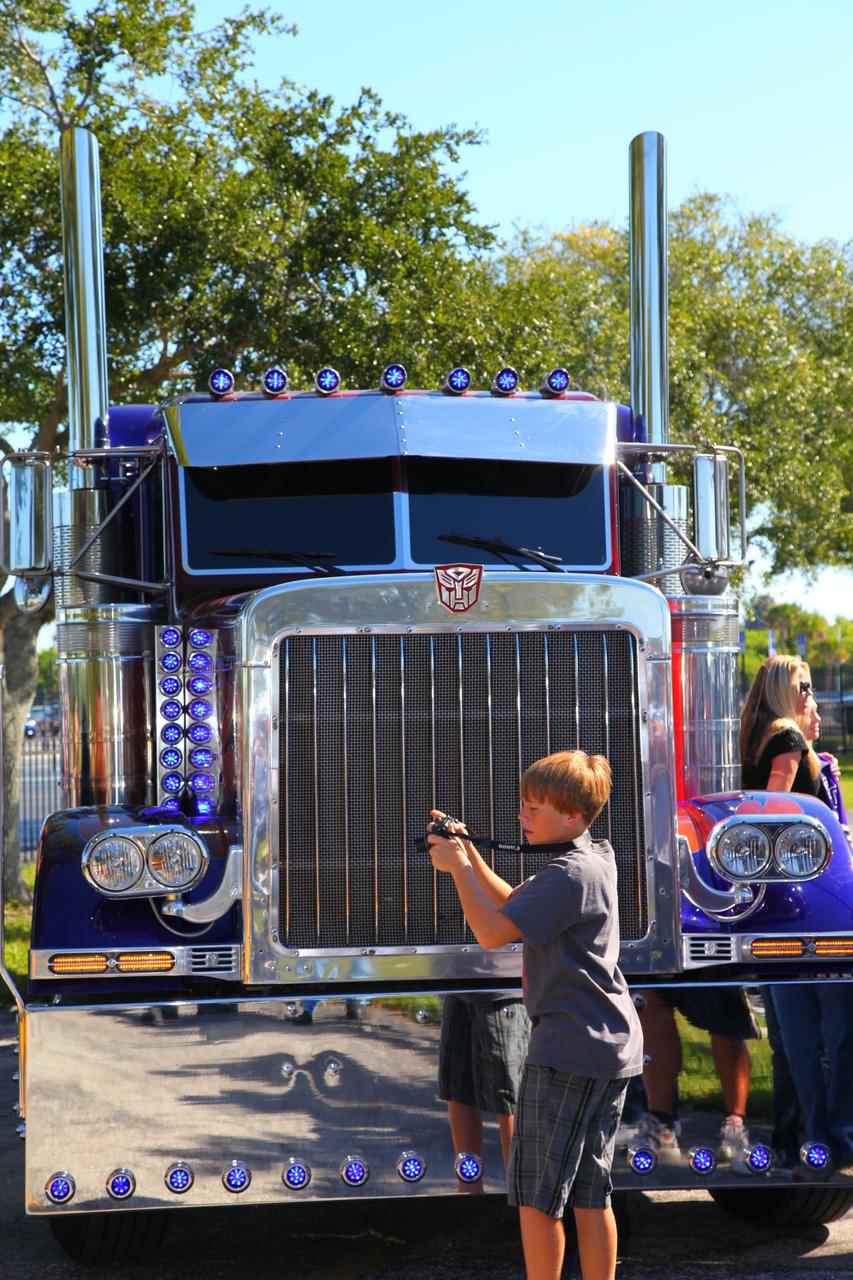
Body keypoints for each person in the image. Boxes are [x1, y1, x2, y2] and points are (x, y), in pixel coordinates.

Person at [426, 750, 643, 1280]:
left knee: (537, 1195)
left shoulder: (567, 875)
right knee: (592, 1191)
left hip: (569, 1048)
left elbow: (493, 932)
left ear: (570, 815)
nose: (522, 816)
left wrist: (455, 870)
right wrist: (471, 853)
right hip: (610, 1046)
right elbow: (511, 905)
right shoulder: (594, 857)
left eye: (532, 807)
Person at [741, 658, 853, 1173]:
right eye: (805, 685)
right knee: (836, 1025)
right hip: (817, 905)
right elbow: (772, 807)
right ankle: (839, 1133)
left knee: (800, 1034)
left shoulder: (760, 735)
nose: (812, 695)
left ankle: (815, 1135)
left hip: (776, 909)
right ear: (787, 690)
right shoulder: (786, 739)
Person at [437, 992, 530, 1178]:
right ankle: (468, 1190)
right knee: (457, 1086)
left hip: (502, 985)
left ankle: (521, 1198)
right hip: (456, 980)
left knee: (510, 1093)